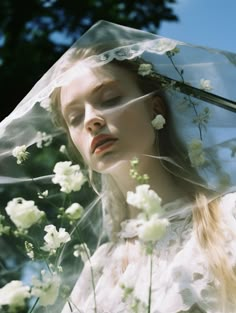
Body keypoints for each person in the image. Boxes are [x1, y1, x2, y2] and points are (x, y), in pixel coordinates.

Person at [0, 21, 236, 313]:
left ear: (155, 107)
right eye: (74, 117)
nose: (91, 120)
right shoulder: (96, 272)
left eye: (110, 99)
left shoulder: (226, 221)